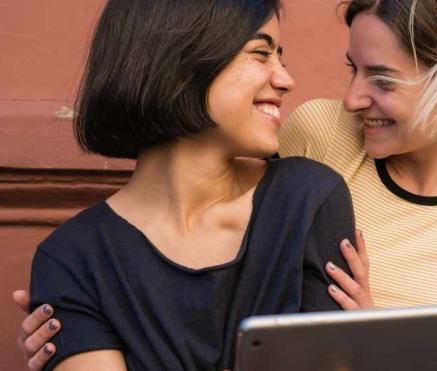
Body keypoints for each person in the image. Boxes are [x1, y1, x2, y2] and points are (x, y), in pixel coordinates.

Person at [15, 0, 437, 370]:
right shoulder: (320, 137)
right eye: (352, 70)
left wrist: (366, 343)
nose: (351, 99)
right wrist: (72, 325)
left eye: (382, 79)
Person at [15, 0, 355, 370]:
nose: (285, 80)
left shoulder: (307, 200)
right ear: (180, 60)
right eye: (260, 54)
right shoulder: (73, 257)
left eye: (280, 58)